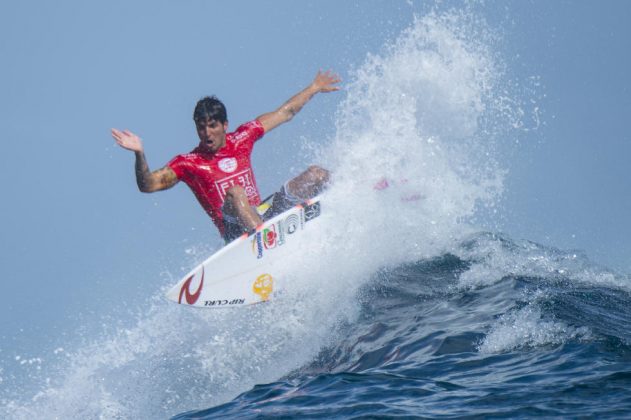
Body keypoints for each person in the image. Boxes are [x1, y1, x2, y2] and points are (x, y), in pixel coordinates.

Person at [112, 70, 340, 243]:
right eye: (201, 127)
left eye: (212, 126)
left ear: (225, 125)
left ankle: (352, 191)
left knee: (316, 174)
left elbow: (285, 112)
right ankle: (266, 248)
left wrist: (314, 87)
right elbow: (148, 185)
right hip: (236, 232)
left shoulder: (242, 138)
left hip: (262, 214)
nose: (207, 133)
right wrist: (139, 154)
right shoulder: (188, 163)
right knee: (236, 193)